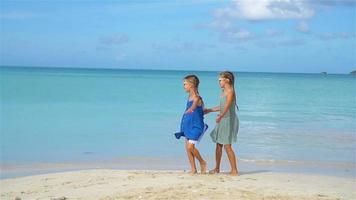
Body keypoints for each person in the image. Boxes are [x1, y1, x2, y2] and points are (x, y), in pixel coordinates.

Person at [204, 71, 239, 176]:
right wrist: (210, 110)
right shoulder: (223, 91)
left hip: (228, 120)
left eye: (220, 80)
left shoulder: (230, 92)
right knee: (218, 145)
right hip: (223, 118)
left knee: (227, 146)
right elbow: (222, 106)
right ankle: (217, 168)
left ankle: (234, 170)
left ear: (227, 80)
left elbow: (227, 106)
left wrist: (221, 116)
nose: (219, 82)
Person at [174, 75, 208, 174]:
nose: (183, 86)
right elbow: (202, 111)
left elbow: (194, 106)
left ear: (191, 85)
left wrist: (191, 109)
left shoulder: (197, 98)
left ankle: (202, 162)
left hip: (196, 126)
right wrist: (214, 109)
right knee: (187, 148)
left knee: (190, 147)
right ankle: (193, 169)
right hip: (187, 125)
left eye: (185, 84)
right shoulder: (189, 96)